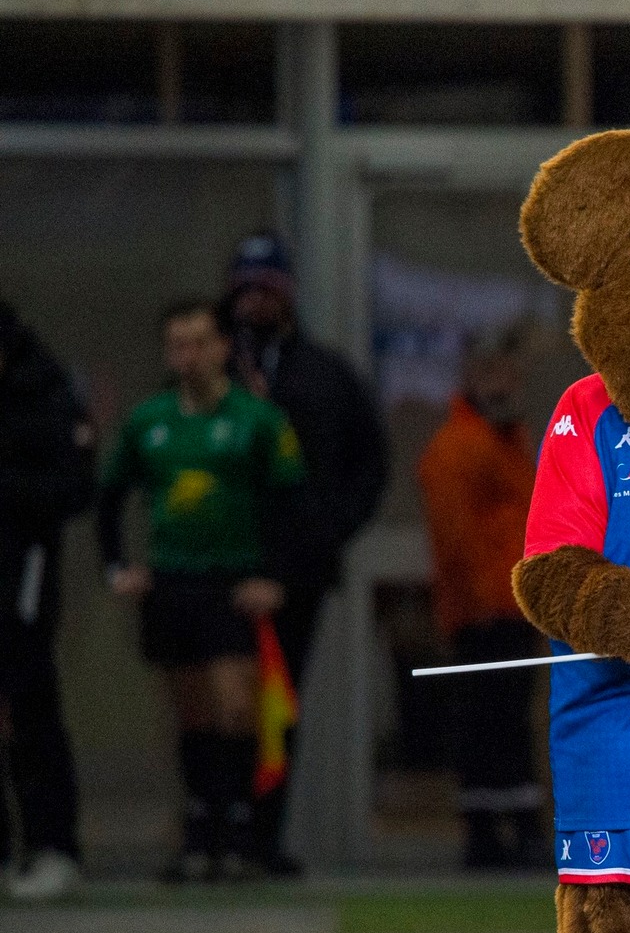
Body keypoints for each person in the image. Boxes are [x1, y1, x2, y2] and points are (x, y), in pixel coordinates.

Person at [99, 301, 304, 880]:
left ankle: (239, 828)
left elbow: (292, 505)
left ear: (221, 348)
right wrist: (118, 567)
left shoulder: (258, 420)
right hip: (172, 580)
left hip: (232, 582)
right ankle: (199, 829)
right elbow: (109, 496)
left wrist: (275, 577)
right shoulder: (149, 421)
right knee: (190, 711)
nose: (186, 356)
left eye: (197, 343)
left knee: (235, 704)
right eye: (176, 345)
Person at [223, 232, 389, 873]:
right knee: (215, 704)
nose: (254, 301)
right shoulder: (214, 369)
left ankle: (262, 838)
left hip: (298, 571)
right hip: (218, 566)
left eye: (266, 288)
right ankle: (214, 832)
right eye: (245, 289)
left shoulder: (324, 374)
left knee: (276, 703)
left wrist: (326, 533)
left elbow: (369, 463)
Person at [417, 329, 543, 869]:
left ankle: (506, 828)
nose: (502, 384)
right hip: (485, 612)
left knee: (503, 719)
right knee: (490, 721)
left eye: (507, 373)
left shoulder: (504, 440)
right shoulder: (461, 446)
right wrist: (479, 605)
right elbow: (457, 540)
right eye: (490, 372)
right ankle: (494, 832)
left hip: (509, 606)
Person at [0, 303, 96, 902]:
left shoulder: (45, 393)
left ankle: (53, 846)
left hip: (21, 570)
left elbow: (76, 487)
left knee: (29, 701)